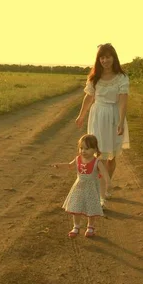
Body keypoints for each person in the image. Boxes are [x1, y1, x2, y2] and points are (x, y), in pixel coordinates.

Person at [75, 43, 129, 207]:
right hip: (97, 116)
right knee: (99, 156)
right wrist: (81, 115)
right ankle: (100, 196)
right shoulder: (94, 78)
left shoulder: (121, 77)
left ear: (114, 58)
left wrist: (120, 121)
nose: (105, 60)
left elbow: (123, 101)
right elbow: (89, 98)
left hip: (113, 116)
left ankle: (106, 185)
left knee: (111, 157)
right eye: (102, 57)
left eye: (108, 57)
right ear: (99, 59)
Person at [51, 134, 110, 238]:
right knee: (76, 206)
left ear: (95, 149)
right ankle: (76, 226)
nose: (83, 151)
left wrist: (107, 182)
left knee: (91, 208)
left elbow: (105, 173)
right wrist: (60, 165)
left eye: (87, 149)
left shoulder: (97, 162)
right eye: (81, 148)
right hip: (78, 188)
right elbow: (69, 165)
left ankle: (90, 227)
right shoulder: (78, 159)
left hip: (91, 190)